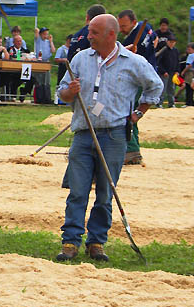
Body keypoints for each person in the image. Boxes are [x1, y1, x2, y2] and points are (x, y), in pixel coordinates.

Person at [56, 14, 162, 262]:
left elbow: (155, 86)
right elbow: (62, 92)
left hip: (114, 136)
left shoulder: (133, 62)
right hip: (83, 134)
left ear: (110, 35)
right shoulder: (81, 58)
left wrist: (137, 114)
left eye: (93, 32)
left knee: (105, 193)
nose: (88, 36)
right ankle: (70, 241)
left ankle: (96, 242)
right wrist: (69, 92)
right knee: (77, 192)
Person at [118, 9, 157, 165]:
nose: (121, 29)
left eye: (124, 26)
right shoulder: (145, 28)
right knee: (130, 111)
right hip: (145, 75)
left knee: (127, 112)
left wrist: (131, 52)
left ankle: (132, 150)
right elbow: (154, 38)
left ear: (134, 23)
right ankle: (132, 149)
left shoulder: (137, 36)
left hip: (139, 79)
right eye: (120, 26)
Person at [33, 27, 56, 104]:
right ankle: (39, 97)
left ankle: (47, 97)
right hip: (39, 61)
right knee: (40, 80)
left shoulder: (48, 42)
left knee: (47, 80)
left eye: (47, 34)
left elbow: (53, 50)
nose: (46, 36)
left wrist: (51, 41)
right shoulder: (38, 40)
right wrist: (38, 32)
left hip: (46, 62)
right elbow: (36, 31)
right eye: (44, 34)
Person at [156, 35, 179, 108]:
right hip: (164, 72)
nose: (171, 43)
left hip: (172, 72)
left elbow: (178, 61)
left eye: (173, 42)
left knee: (171, 88)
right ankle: (159, 103)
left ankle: (171, 103)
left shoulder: (175, 51)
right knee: (163, 88)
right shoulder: (164, 50)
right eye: (170, 42)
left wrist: (177, 71)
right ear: (167, 42)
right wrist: (163, 71)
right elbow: (159, 62)